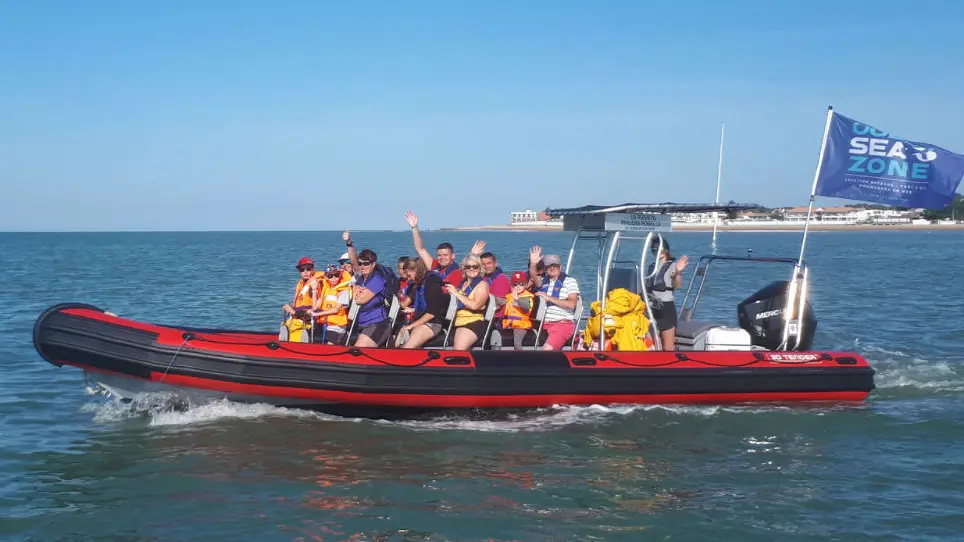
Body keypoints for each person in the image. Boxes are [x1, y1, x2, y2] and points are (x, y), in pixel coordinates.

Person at [342, 230, 392, 347]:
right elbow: (353, 262)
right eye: (361, 264)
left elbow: (360, 300)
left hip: (377, 324)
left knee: (357, 352)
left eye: (366, 264)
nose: (362, 266)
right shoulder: (361, 277)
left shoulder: (377, 280)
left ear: (373, 264)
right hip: (361, 324)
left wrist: (353, 289)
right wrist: (349, 243)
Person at [529, 247, 579, 350]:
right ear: (545, 269)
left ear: (560, 267)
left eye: (554, 266)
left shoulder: (569, 281)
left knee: (547, 349)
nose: (552, 268)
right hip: (544, 324)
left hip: (562, 324)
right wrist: (533, 263)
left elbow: (572, 304)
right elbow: (533, 276)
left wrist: (549, 298)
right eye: (548, 266)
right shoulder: (544, 281)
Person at [395, 257, 449, 348]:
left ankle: (405, 357)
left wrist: (411, 326)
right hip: (418, 320)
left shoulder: (432, 283)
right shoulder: (419, 284)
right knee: (396, 342)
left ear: (416, 270)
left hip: (432, 323)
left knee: (408, 347)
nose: (409, 279)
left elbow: (431, 313)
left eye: (409, 275)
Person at [645, 239, 689, 351]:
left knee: (668, 346)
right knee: (652, 343)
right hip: (652, 307)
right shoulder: (652, 266)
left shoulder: (673, 266)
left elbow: (677, 285)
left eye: (659, 249)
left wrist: (678, 272)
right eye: (654, 250)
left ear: (666, 251)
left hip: (665, 308)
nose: (657, 252)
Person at [447, 254, 491, 350]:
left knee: (459, 348)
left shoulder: (482, 285)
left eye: (475, 266)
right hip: (457, 321)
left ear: (480, 269)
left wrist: (457, 294)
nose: (471, 269)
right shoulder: (462, 283)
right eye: (468, 267)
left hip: (473, 321)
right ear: (464, 269)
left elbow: (476, 305)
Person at [312, 264, 353, 344]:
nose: (334, 278)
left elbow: (336, 310)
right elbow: (314, 307)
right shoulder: (326, 288)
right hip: (325, 324)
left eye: (336, 275)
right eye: (330, 276)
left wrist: (317, 314)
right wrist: (314, 289)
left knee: (329, 344)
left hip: (337, 326)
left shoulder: (343, 291)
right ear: (326, 277)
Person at [501, 271, 536, 349]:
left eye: (521, 284)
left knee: (517, 342)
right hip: (510, 324)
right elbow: (502, 301)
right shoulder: (510, 296)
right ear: (512, 286)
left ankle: (520, 357)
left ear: (526, 285)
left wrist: (517, 298)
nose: (518, 286)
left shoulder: (527, 297)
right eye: (515, 284)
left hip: (521, 326)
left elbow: (526, 307)